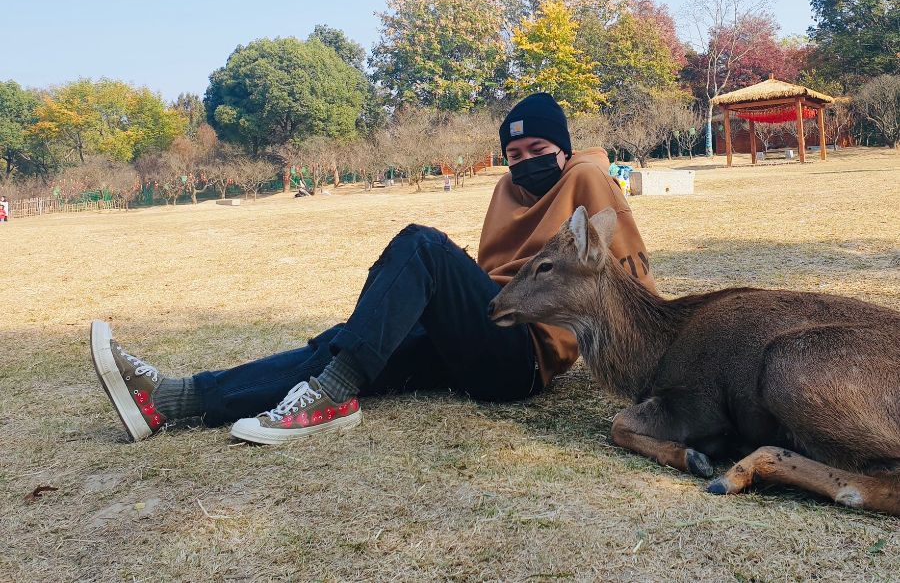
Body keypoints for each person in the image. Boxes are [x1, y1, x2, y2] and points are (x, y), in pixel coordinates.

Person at [91, 93, 656, 444]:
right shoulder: (506, 192)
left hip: (521, 358)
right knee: (346, 347)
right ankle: (174, 400)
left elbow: (627, 278)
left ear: (562, 148)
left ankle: (333, 392)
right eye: (513, 154)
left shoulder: (587, 181)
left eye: (538, 149)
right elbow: (493, 275)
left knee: (422, 246)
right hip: (484, 329)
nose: (525, 163)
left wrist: (657, 368)